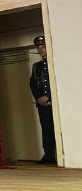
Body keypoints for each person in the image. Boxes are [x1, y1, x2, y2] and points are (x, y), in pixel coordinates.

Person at [29, 35, 56, 164]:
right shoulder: (36, 66)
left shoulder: (55, 62)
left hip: (55, 104)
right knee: (46, 130)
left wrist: (48, 96)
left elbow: (57, 81)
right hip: (43, 106)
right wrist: (39, 98)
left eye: (43, 47)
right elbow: (33, 84)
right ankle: (49, 156)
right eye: (39, 48)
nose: (41, 50)